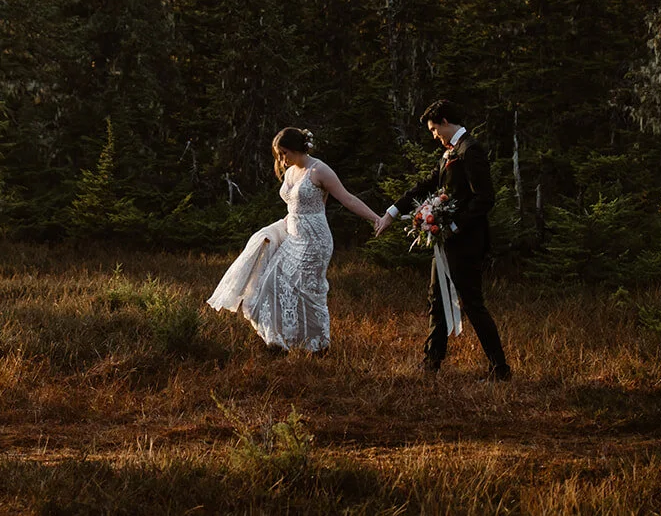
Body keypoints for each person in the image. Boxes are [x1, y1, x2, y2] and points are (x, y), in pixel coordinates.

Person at [207, 127, 383, 353]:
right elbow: (293, 207)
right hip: (293, 236)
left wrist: (375, 218)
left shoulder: (319, 171)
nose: (282, 159)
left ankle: (319, 345)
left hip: (315, 241)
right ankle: (280, 341)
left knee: (309, 291)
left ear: (297, 149)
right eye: (279, 154)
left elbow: (347, 198)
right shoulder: (290, 172)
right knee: (269, 283)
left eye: (284, 153)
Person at [375, 100, 512, 380]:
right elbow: (428, 183)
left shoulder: (470, 151)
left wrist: (452, 224)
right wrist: (393, 211)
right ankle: (431, 362)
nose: (434, 135)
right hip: (445, 242)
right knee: (436, 299)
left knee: (472, 303)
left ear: (446, 122)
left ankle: (500, 368)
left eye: (435, 129)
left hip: (466, 242)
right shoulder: (450, 152)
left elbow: (485, 198)